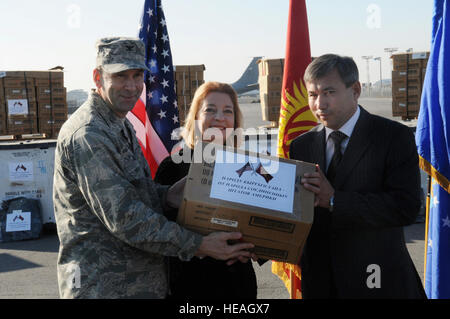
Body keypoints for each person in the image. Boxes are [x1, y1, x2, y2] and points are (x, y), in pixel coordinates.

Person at [53, 37, 254, 299]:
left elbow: (139, 195)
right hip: (104, 286)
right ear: (97, 77)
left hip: (135, 284)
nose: (131, 85)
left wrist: (172, 193)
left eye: (137, 75)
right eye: (120, 76)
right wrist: (200, 245)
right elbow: (125, 217)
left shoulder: (118, 124)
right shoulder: (90, 134)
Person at [290, 54, 426, 299]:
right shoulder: (301, 145)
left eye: (329, 92)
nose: (319, 104)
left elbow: (405, 207)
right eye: (312, 94)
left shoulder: (393, 137)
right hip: (321, 284)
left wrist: (335, 200)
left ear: (355, 90)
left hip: (379, 282)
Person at [154, 81, 258, 299]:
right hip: (189, 283)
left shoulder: (249, 165)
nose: (219, 117)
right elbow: (158, 230)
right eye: (210, 110)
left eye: (227, 111)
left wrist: (256, 247)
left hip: (237, 284)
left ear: (235, 121)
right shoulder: (172, 166)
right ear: (196, 118)